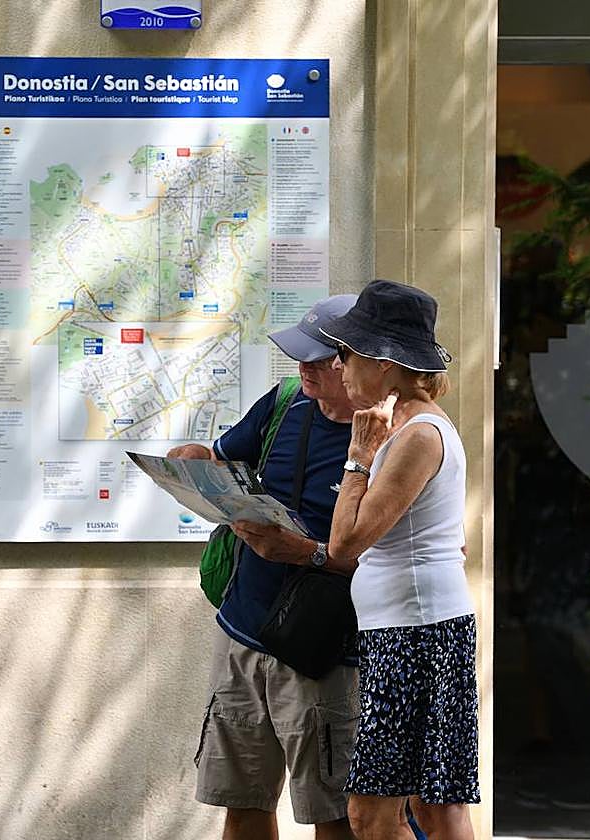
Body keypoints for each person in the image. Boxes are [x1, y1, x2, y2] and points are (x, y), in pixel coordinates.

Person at [167, 294, 361, 840]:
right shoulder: (286, 402)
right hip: (244, 630)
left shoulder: (391, 436)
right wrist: (196, 462)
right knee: (243, 799)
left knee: (334, 812)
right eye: (299, 356)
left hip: (324, 647)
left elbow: (404, 553)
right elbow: (227, 457)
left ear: (357, 364)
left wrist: (305, 551)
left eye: (318, 360)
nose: (303, 369)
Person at [320, 280, 480, 840]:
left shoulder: (415, 435)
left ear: (385, 362)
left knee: (378, 813)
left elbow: (344, 546)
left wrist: (358, 456)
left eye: (347, 353)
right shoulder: (407, 428)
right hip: (410, 631)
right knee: (435, 806)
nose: (338, 366)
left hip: (417, 635)